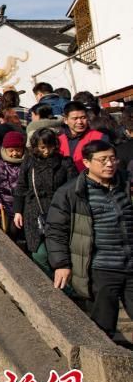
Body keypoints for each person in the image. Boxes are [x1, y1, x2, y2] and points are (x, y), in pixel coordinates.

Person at [48, 140, 133, 338]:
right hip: (100, 268)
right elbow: (56, 230)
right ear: (86, 163)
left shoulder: (126, 183)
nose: (109, 164)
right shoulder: (72, 192)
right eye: (102, 160)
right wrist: (61, 264)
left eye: (112, 159)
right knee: (103, 326)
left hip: (130, 264)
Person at [13, 128, 74, 276]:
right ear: (35, 147)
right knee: (38, 254)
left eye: (50, 146)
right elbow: (21, 186)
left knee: (57, 252)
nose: (47, 151)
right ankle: (62, 289)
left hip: (58, 213)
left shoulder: (65, 163)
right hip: (34, 213)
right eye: (42, 147)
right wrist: (17, 211)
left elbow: (73, 188)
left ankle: (64, 288)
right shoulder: (29, 162)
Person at [0, 131, 26, 238]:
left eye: (18, 150)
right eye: (11, 150)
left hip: (23, 206)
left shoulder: (28, 162)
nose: (15, 153)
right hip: (4, 206)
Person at [59, 101, 105, 173]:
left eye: (83, 117)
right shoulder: (59, 141)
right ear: (65, 120)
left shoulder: (99, 137)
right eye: (75, 118)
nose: (80, 122)